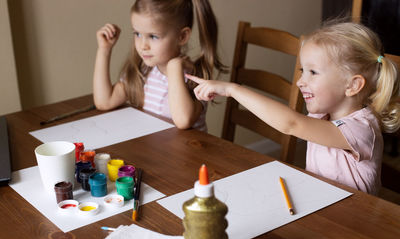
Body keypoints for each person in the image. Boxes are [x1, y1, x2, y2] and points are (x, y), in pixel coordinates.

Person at [186, 21, 400, 195]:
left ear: (352, 85)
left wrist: (232, 89)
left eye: (313, 73)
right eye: (302, 70)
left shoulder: (361, 129)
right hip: (321, 210)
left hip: (352, 228)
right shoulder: (322, 113)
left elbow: (290, 124)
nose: (300, 82)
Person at [93, 0, 226, 132]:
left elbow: (183, 120)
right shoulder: (143, 72)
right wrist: (104, 50)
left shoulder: (195, 77)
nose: (143, 46)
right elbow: (105, 102)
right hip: (155, 150)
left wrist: (174, 68)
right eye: (137, 34)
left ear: (182, 36)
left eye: (153, 36)